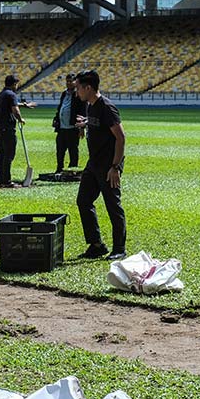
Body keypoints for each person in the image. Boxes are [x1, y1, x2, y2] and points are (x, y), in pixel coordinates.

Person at [73, 69, 127, 261]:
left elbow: (121, 138)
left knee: (113, 206)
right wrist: (86, 124)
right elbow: (100, 125)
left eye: (78, 88)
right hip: (93, 164)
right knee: (83, 201)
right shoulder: (91, 106)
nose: (76, 91)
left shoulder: (107, 107)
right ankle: (96, 245)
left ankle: (119, 248)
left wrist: (115, 167)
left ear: (88, 88)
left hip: (108, 166)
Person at [0, 74, 25, 188]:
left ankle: (1, 180)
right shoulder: (12, 94)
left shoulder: (1, 94)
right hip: (7, 128)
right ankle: (7, 181)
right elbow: (15, 109)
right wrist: (20, 119)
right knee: (9, 154)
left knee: (1, 154)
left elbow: (9, 105)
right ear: (14, 84)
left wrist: (23, 105)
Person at [52, 72, 85, 173]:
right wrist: (56, 119)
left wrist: (82, 128)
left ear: (76, 82)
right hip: (62, 128)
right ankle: (59, 169)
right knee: (60, 151)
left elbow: (82, 111)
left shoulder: (79, 94)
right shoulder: (64, 93)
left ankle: (72, 170)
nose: (69, 83)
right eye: (67, 81)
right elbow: (60, 107)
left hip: (72, 128)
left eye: (71, 81)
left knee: (73, 150)